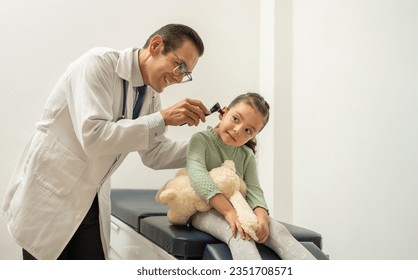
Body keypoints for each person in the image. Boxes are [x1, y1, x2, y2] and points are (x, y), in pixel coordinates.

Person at [2, 23, 210, 260]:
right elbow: (94, 137)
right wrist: (162, 119)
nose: (179, 77)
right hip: (51, 196)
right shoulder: (97, 64)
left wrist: (212, 144)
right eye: (179, 65)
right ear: (155, 45)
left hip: (91, 200)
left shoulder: (150, 96)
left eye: (186, 73)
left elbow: (155, 153)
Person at [187, 92, 316, 260]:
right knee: (240, 233)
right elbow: (198, 175)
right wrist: (228, 212)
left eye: (248, 130)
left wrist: (262, 218)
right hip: (203, 209)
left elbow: (255, 190)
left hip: (239, 208)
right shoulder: (201, 140)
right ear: (224, 112)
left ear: (253, 136)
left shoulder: (246, 155)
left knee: (278, 230)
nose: (238, 130)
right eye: (235, 119)